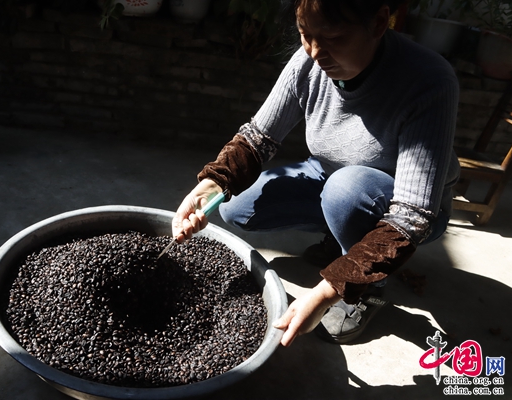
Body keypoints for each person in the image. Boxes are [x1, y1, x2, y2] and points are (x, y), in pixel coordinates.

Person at [171, 0, 460, 347]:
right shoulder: (308, 62)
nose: (317, 53)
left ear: (380, 22)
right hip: (329, 176)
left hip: (401, 204)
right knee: (234, 206)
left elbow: (412, 217)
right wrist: (210, 186)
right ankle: (342, 236)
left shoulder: (428, 81)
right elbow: (258, 138)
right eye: (306, 35)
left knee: (347, 192)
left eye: (334, 38)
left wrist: (331, 290)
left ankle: (369, 290)